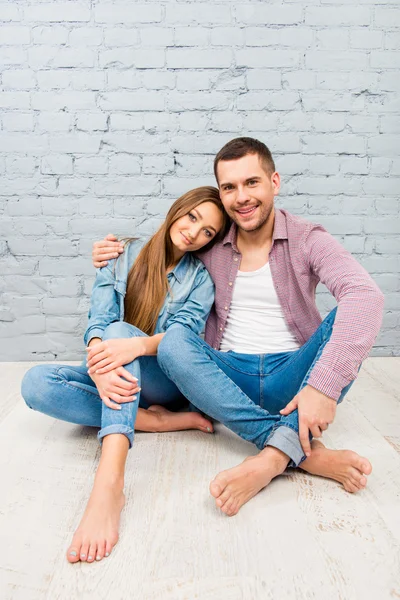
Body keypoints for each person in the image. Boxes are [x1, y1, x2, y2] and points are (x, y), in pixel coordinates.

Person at [93, 137, 384, 518]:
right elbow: (167, 243)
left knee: (348, 318)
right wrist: (111, 252)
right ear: (221, 194)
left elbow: (366, 295)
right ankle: (290, 449)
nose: (241, 197)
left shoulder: (307, 238)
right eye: (229, 187)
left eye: (252, 183)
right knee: (174, 342)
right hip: (224, 378)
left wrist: (321, 387)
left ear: (274, 183)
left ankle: (271, 460)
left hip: (294, 378)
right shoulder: (209, 241)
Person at [21, 186, 229, 564]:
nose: (195, 233)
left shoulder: (200, 280)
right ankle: (150, 421)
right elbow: (98, 321)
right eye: (193, 217)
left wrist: (132, 346)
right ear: (178, 210)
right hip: (115, 373)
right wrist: (100, 365)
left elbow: (181, 339)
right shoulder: (123, 253)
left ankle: (109, 482)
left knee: (121, 332)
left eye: (208, 232)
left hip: (160, 379)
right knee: (35, 383)